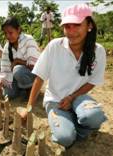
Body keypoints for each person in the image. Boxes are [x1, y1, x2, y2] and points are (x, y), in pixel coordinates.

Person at [20, 4, 107, 147]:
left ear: (89, 25)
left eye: (77, 25)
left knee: (93, 116)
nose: (71, 31)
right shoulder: (55, 46)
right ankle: (70, 126)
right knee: (65, 138)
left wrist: (72, 97)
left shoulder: (98, 51)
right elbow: (40, 77)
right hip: (55, 100)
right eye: (67, 26)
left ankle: (78, 126)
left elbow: (93, 81)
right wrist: (28, 109)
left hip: (78, 97)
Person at [0, 17, 40, 99]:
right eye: (5, 33)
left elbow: (35, 66)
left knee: (18, 70)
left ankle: (31, 88)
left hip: (32, 75)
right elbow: (5, 68)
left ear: (18, 30)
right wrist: (0, 82)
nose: (8, 36)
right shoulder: (7, 46)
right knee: (8, 94)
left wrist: (17, 61)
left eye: (10, 32)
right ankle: (22, 88)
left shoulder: (28, 40)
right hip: (17, 75)